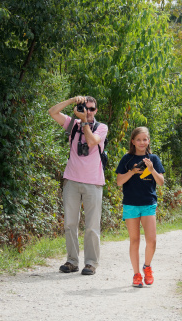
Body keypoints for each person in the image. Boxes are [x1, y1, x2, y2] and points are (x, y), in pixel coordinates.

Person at [48, 96, 107, 276]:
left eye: (91, 109)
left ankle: (90, 263)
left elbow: (91, 141)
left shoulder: (101, 127)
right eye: (84, 107)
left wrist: (83, 122)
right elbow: (52, 112)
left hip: (94, 182)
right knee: (70, 223)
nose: (88, 111)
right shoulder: (73, 124)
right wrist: (72, 100)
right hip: (72, 180)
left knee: (91, 226)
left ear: (96, 110)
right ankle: (72, 261)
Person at [116, 127, 165, 287]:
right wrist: (131, 172)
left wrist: (151, 170)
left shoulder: (154, 159)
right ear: (133, 141)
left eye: (145, 139)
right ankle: (136, 274)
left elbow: (161, 182)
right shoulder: (127, 159)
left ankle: (147, 267)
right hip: (131, 204)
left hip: (148, 204)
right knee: (134, 240)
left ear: (148, 141)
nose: (142, 142)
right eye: (138, 139)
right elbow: (119, 181)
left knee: (152, 240)